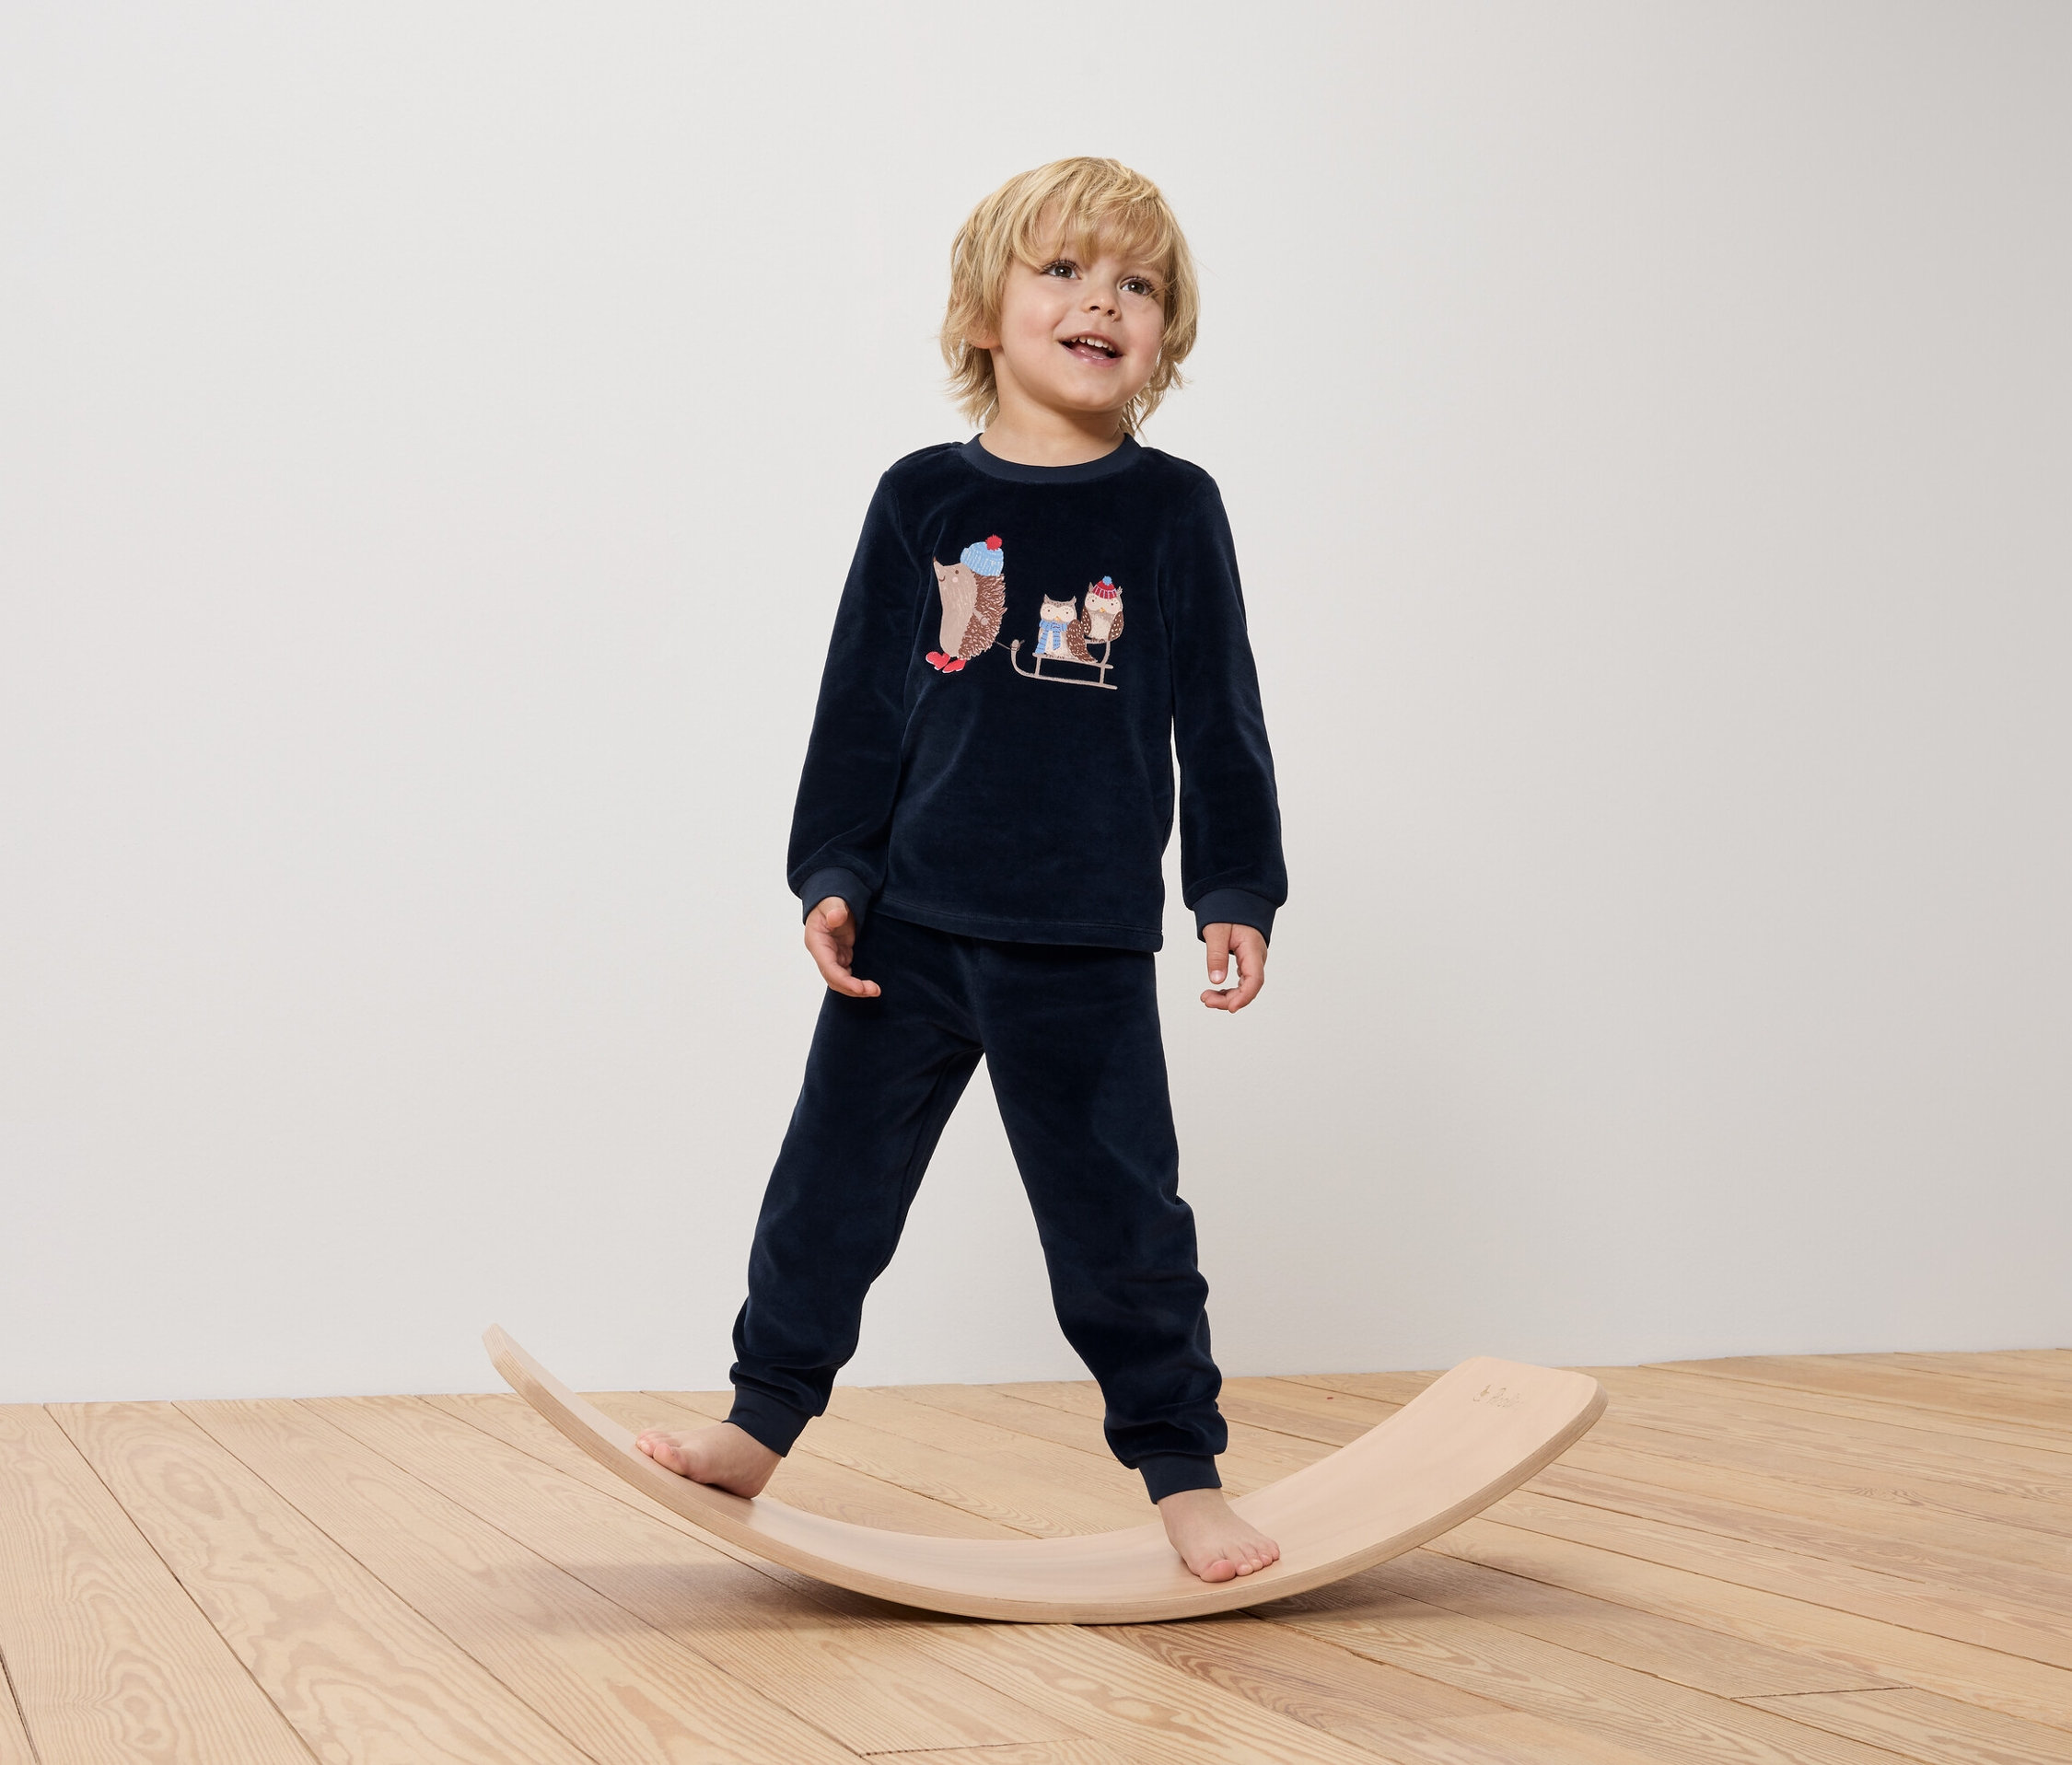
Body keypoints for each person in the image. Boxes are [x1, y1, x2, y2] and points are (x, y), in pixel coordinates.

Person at [636, 156, 1288, 1583]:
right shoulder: (919, 497)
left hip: (1083, 942)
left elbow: (1218, 717)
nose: (1100, 302)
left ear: (1165, 335)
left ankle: (1182, 1474)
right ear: (982, 312)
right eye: (1061, 270)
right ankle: (759, 1420)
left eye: (1136, 284)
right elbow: (860, 706)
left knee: (1123, 1223)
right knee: (829, 1192)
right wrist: (830, 870)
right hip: (910, 930)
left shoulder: (1172, 512)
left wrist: (1232, 890)